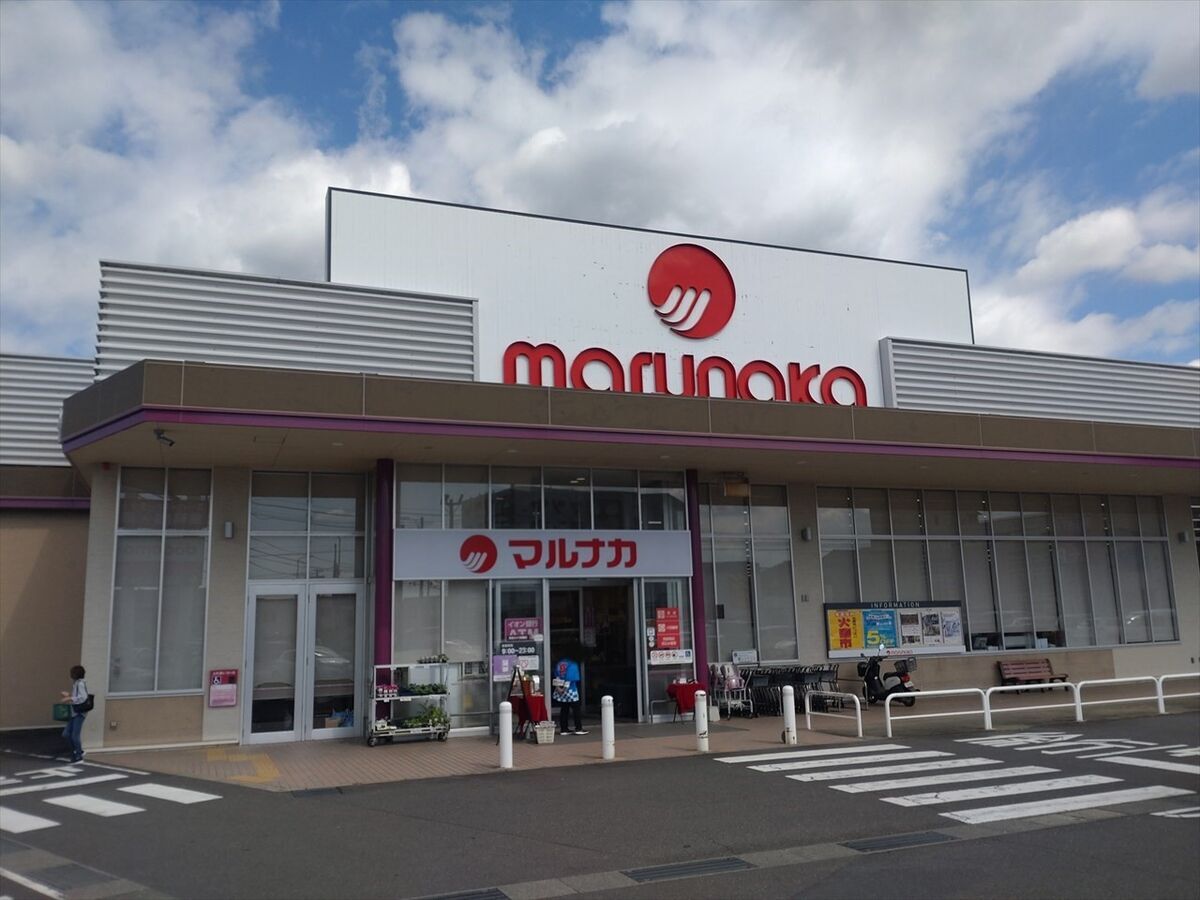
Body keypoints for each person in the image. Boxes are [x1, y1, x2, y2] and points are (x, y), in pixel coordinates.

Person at [60, 664, 88, 762]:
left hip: (79, 713)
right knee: (66, 734)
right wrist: (69, 695)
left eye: (72, 673)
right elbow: (78, 696)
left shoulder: (80, 684)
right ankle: (78, 751)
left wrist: (69, 698)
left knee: (74, 735)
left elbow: (83, 698)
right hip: (75, 712)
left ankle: (79, 755)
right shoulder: (77, 683)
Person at [552, 656, 587, 735]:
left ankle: (564, 729)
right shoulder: (572, 664)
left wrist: (558, 688)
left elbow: (556, 676)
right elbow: (570, 678)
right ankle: (578, 728)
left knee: (564, 709)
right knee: (576, 709)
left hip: (560, 689)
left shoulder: (559, 663)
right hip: (571, 690)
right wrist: (564, 689)